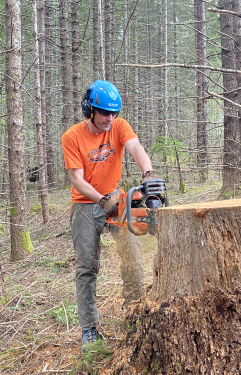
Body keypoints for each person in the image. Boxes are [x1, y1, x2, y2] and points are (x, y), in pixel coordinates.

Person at [61, 80, 157, 352]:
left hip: (115, 197)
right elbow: (77, 180)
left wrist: (147, 173)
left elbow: (136, 148)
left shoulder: (119, 126)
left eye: (114, 113)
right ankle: (89, 329)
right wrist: (101, 200)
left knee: (132, 254)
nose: (110, 118)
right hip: (85, 203)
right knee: (87, 267)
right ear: (89, 109)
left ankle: (135, 315)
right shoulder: (72, 137)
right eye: (104, 113)